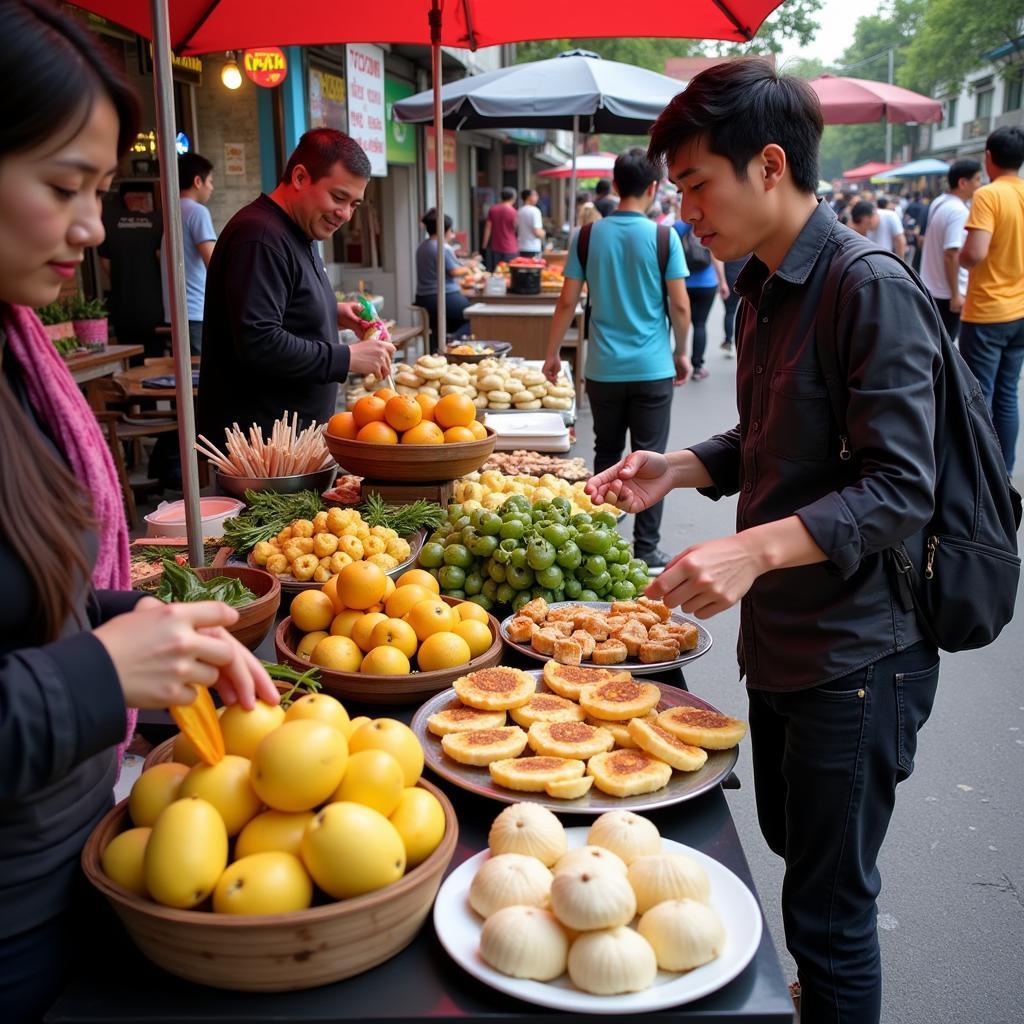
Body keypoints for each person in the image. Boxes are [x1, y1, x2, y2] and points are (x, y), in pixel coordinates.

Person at [591, 58, 944, 1024]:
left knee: (831, 913)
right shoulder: (762, 287)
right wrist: (681, 468)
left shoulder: (868, 287)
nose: (686, 209)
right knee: (793, 852)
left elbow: (902, 487)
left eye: (698, 184)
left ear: (771, 165)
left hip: (860, 652)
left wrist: (751, 552)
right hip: (785, 641)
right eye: (678, 189)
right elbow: (771, 438)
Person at [0, 5, 277, 1022]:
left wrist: (134, 612)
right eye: (63, 186)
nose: (90, 227)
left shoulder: (18, 357)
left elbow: (26, 596)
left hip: (71, 855)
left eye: (101, 190)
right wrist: (101, 670)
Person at [542, 147, 692, 570]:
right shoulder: (665, 237)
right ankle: (647, 548)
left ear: (617, 182)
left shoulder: (588, 235)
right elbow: (680, 307)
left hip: (603, 369)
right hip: (653, 367)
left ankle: (600, 542)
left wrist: (552, 353)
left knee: (607, 453)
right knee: (652, 457)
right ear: (652, 187)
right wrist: (682, 352)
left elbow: (566, 301)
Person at [198, 129, 395, 444]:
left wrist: (329, 312)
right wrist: (346, 357)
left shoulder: (299, 231)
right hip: (261, 452)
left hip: (293, 444)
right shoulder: (259, 237)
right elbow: (259, 341)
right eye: (338, 197)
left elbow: (280, 307)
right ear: (301, 177)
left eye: (354, 204)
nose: (345, 214)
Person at [958, 126, 1024, 474]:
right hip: (1020, 312)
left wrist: (963, 258)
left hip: (987, 312)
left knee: (977, 397)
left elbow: (975, 253)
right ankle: (1006, 470)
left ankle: (985, 473)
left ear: (988, 157)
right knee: (1008, 394)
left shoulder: (988, 196)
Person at [159, 152, 217, 355]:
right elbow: (215, 263)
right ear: (197, 181)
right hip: (195, 310)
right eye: (210, 181)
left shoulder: (171, 211)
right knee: (199, 377)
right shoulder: (197, 212)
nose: (212, 187)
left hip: (175, 312)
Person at [98, 184, 163, 359]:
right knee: (155, 358)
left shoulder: (109, 221)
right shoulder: (158, 221)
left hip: (123, 304)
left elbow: (105, 263)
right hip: (154, 304)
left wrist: (123, 278)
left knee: (130, 358)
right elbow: (162, 259)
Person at [919, 159, 981, 340]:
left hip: (933, 287)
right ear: (963, 183)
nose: (980, 184)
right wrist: (955, 294)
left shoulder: (940, 202)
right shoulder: (958, 211)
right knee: (945, 346)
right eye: (977, 179)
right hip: (946, 294)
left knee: (936, 343)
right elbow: (951, 253)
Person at [672, 218, 728, 380]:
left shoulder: (677, 227)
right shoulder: (708, 225)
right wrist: (722, 281)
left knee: (679, 323)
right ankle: (698, 367)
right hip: (707, 283)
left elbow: (669, 253)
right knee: (700, 324)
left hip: (682, 282)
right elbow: (715, 256)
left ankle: (678, 360)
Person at [414, 208, 473, 347]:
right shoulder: (441, 247)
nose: (452, 234)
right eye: (451, 230)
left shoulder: (422, 246)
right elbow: (455, 271)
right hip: (441, 296)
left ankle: (439, 348)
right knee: (475, 317)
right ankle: (451, 344)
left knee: (446, 325)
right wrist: (470, 266)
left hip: (423, 298)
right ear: (444, 230)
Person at [481, 186, 518, 271]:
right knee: (509, 273)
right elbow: (516, 228)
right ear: (513, 197)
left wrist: (484, 244)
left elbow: (488, 228)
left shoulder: (493, 209)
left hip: (496, 247)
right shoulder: (513, 212)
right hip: (511, 247)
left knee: (497, 272)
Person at [516, 188, 545, 257]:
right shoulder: (535, 211)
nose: (537, 197)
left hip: (520, 246)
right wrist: (543, 233)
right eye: (535, 195)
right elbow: (537, 231)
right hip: (533, 247)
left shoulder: (519, 211)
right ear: (529, 197)